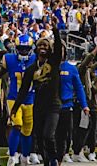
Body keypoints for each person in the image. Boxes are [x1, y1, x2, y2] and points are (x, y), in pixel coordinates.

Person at [13, 33, 65, 166]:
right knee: (40, 138)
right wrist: (15, 107)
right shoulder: (31, 69)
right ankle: (46, 161)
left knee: (48, 135)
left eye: (45, 45)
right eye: (40, 45)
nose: (42, 47)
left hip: (53, 105)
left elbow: (58, 49)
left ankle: (53, 159)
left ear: (50, 49)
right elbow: (24, 89)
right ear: (35, 49)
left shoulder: (54, 63)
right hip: (39, 106)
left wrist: (55, 31)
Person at [6, 37, 38, 166]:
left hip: (30, 98)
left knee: (27, 130)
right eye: (21, 49)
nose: (23, 51)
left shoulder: (36, 60)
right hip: (14, 98)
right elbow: (0, 73)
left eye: (26, 49)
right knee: (17, 125)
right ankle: (12, 155)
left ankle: (25, 156)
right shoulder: (9, 59)